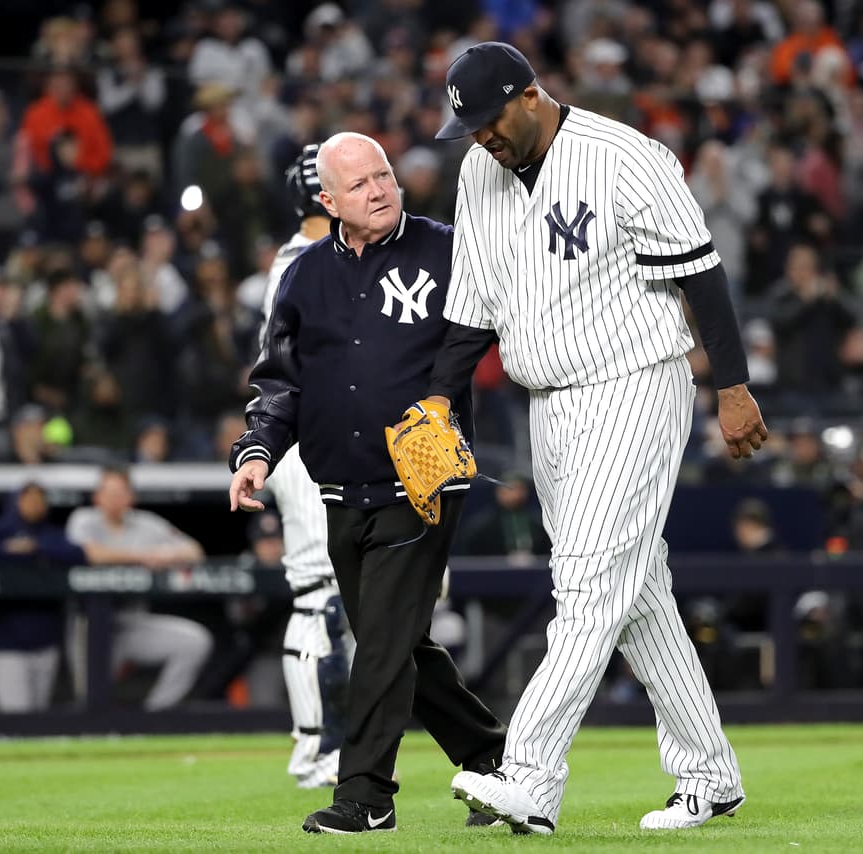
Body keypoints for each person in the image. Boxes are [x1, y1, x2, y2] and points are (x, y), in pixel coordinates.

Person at [430, 43, 766, 833]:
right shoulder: (479, 170)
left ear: (530, 95)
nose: (483, 137)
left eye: (491, 120)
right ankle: (710, 775)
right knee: (635, 595)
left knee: (585, 585)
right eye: (470, 127)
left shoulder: (624, 156)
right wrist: (438, 402)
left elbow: (701, 272)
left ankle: (529, 776)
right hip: (548, 404)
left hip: (633, 385)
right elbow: (470, 305)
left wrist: (732, 385)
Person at [226, 132, 506, 834]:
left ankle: (366, 795)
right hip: (340, 487)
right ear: (328, 201)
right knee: (397, 639)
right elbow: (281, 380)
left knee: (380, 640)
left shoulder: (447, 249)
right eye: (359, 184)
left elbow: (482, 332)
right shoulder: (304, 275)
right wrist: (257, 452)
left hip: (422, 480)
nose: (379, 190)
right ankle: (495, 760)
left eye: (384, 175)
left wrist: (444, 402)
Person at [264, 143, 353, 790]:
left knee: (329, 595)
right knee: (320, 594)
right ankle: (317, 747)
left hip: (314, 439)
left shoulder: (309, 256)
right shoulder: (303, 262)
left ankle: (320, 743)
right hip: (304, 442)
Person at [66, 466, 213, 710]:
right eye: (109, 493)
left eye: (121, 493)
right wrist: (141, 557)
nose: (115, 499)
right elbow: (88, 553)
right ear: (97, 497)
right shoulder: (84, 519)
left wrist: (166, 555)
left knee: (194, 642)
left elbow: (194, 551)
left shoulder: (147, 523)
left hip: (133, 623)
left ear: (131, 497)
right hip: (91, 625)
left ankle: (155, 714)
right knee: (89, 699)